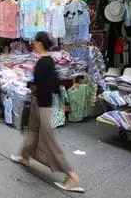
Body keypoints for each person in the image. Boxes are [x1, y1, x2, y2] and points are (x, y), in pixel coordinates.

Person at [10, 32, 83, 193]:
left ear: (40, 43)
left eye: (35, 41)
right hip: (40, 102)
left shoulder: (44, 62)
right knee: (33, 132)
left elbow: (44, 85)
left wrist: (29, 83)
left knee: (48, 141)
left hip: (42, 105)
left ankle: (71, 175)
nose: (32, 43)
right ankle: (24, 156)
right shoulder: (47, 60)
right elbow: (55, 84)